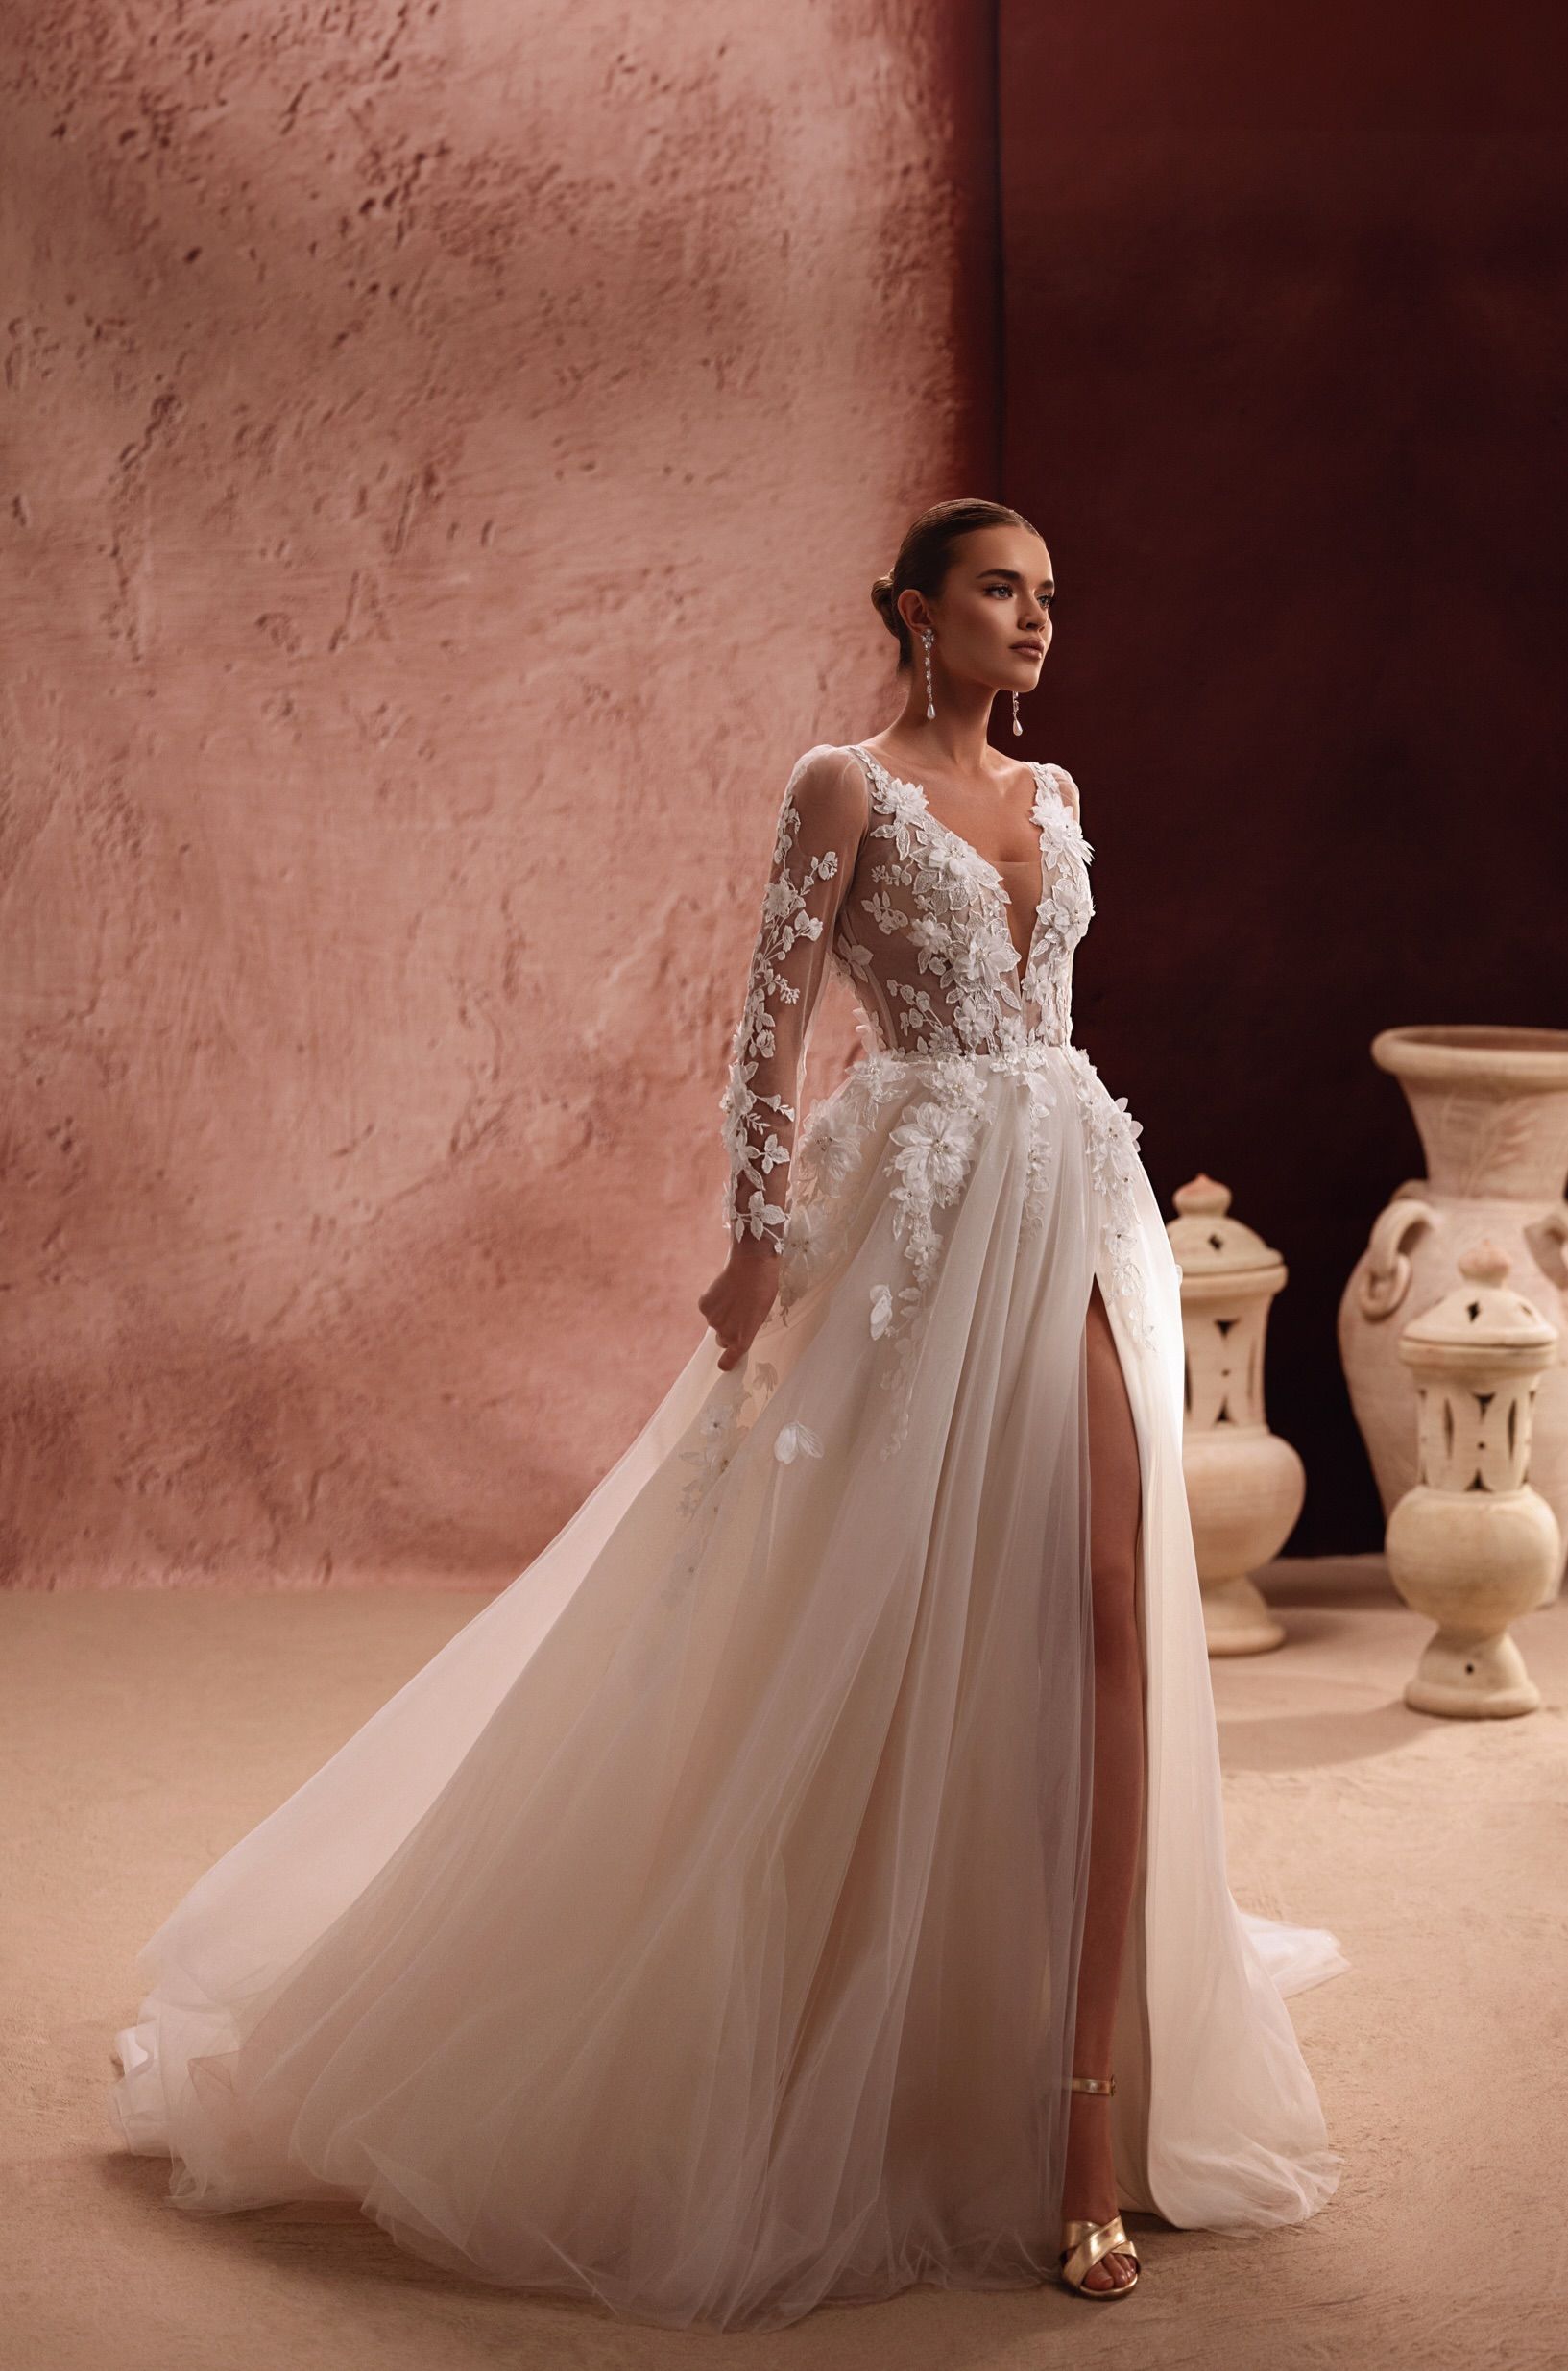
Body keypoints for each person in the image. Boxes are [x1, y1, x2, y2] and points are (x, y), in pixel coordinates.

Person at [109, 497, 1347, 2332]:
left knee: (1103, 1618)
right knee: (833, 1636)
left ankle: (1087, 2124)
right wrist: (758, 1251)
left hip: (1070, 1200)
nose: (1035, 624)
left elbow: (1049, 1017)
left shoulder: (1062, 795)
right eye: (1000, 592)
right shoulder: (838, 784)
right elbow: (765, 1039)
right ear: (915, 612)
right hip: (913, 1215)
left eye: (1049, 598)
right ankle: (798, 2030)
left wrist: (1085, 1214)